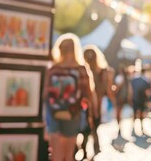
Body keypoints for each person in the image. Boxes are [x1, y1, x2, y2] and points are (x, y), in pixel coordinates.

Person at [43, 33, 94, 161]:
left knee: (56, 155)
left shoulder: (53, 69)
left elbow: (45, 94)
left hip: (54, 113)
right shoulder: (81, 69)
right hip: (73, 113)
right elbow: (88, 94)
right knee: (69, 154)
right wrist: (90, 114)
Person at [83, 44, 116, 155]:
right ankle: (94, 148)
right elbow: (108, 89)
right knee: (94, 126)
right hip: (97, 103)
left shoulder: (84, 70)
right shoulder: (103, 71)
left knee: (86, 127)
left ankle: (84, 148)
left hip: (86, 103)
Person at [131, 65, 151, 135]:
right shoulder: (145, 81)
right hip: (142, 100)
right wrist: (149, 100)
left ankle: (133, 127)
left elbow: (130, 90)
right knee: (141, 114)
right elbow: (148, 92)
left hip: (134, 98)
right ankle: (141, 127)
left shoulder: (134, 80)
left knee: (134, 113)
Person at [113, 63, 133, 134]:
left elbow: (117, 89)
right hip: (125, 98)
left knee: (118, 113)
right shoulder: (127, 78)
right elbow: (130, 90)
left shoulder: (119, 78)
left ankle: (119, 126)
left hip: (119, 98)